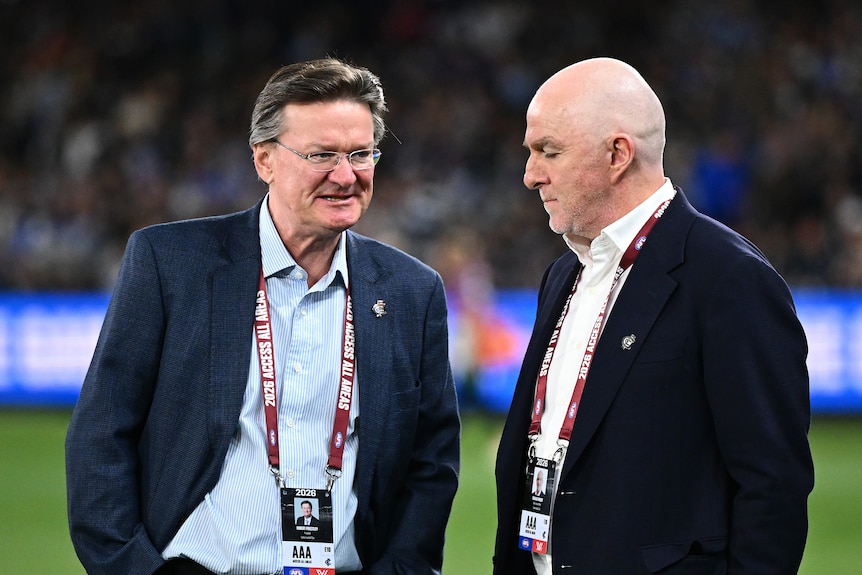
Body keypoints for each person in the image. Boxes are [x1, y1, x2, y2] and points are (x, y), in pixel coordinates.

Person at [66, 58, 460, 575]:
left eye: (360, 154)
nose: (346, 176)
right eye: (322, 155)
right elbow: (101, 433)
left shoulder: (412, 290)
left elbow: (431, 463)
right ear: (264, 160)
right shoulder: (171, 263)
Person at [493, 57, 813, 574]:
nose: (530, 175)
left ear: (618, 154)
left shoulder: (729, 279)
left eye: (547, 151)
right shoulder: (562, 276)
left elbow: (772, 484)